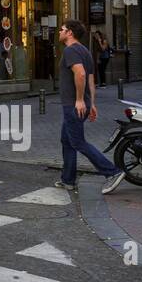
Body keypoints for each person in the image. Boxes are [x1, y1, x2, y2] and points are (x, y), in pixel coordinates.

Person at [56, 19, 124, 194]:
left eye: (62, 29)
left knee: (78, 142)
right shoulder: (85, 51)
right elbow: (92, 79)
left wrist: (79, 100)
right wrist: (91, 103)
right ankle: (68, 179)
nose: (59, 32)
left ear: (69, 32)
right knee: (67, 140)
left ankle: (112, 172)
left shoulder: (71, 50)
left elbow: (81, 74)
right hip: (81, 104)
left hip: (73, 105)